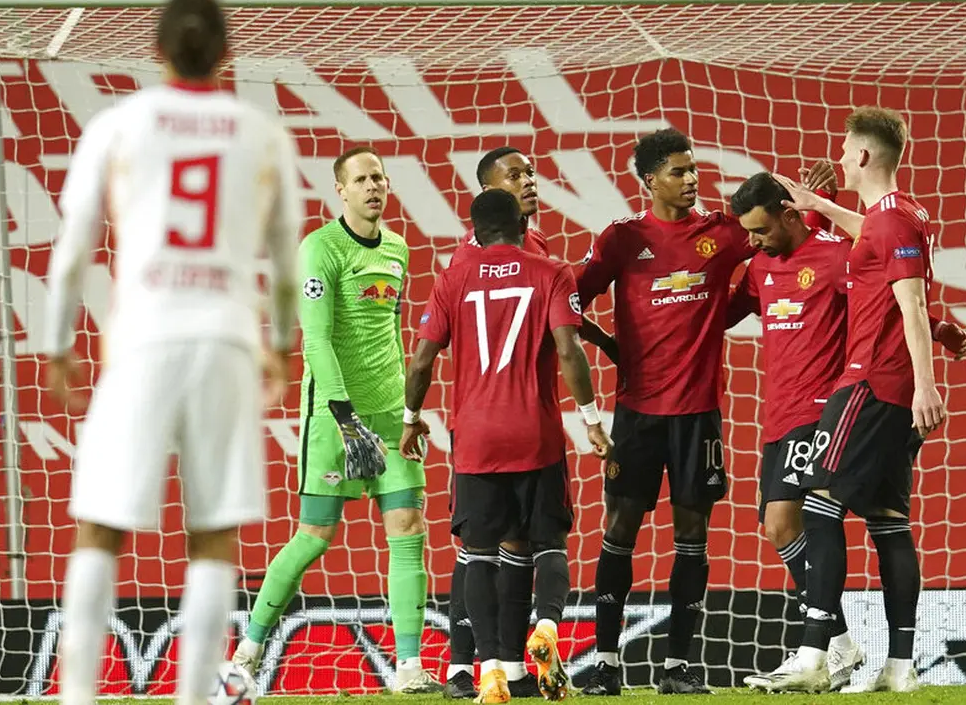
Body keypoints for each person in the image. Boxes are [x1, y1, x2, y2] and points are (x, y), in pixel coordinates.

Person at [42, 0, 301, 705]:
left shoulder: (119, 124)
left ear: (154, 49)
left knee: (101, 522)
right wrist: (278, 341)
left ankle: (78, 697)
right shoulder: (262, 134)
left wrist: (57, 342)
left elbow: (71, 252)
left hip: (144, 337)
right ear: (227, 53)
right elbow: (283, 260)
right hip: (224, 338)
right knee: (213, 531)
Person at [725, 171, 966, 691]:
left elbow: (894, 297)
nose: (754, 241)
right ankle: (854, 648)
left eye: (761, 229)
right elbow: (723, 313)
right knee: (817, 525)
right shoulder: (759, 267)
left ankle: (827, 646)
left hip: (829, 408)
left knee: (795, 519)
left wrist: (940, 328)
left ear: (788, 216)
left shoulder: (838, 255)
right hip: (780, 412)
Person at [230, 146, 441, 694]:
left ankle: (410, 666)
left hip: (390, 416)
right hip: (334, 417)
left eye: (379, 178)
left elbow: (392, 335)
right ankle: (249, 651)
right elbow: (317, 341)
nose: (373, 186)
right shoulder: (319, 249)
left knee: (409, 529)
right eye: (361, 179)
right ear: (340, 191)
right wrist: (346, 417)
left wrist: (409, 413)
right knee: (315, 536)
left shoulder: (397, 249)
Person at [400, 188, 613, 703]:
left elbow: (423, 359)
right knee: (542, 546)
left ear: (475, 231)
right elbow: (569, 349)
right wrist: (590, 420)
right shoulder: (550, 272)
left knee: (477, 554)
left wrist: (410, 419)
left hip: (474, 436)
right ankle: (542, 631)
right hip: (534, 435)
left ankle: (496, 668)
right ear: (521, 224)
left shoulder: (453, 278)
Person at [573, 128, 754, 695]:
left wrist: (813, 208)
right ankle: (606, 661)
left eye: (693, 168)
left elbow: (776, 233)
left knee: (693, 533)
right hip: (637, 413)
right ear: (650, 179)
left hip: (698, 413)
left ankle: (678, 666)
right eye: (678, 171)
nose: (691, 178)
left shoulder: (722, 233)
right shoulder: (624, 240)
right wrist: (605, 344)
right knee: (620, 528)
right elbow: (568, 300)